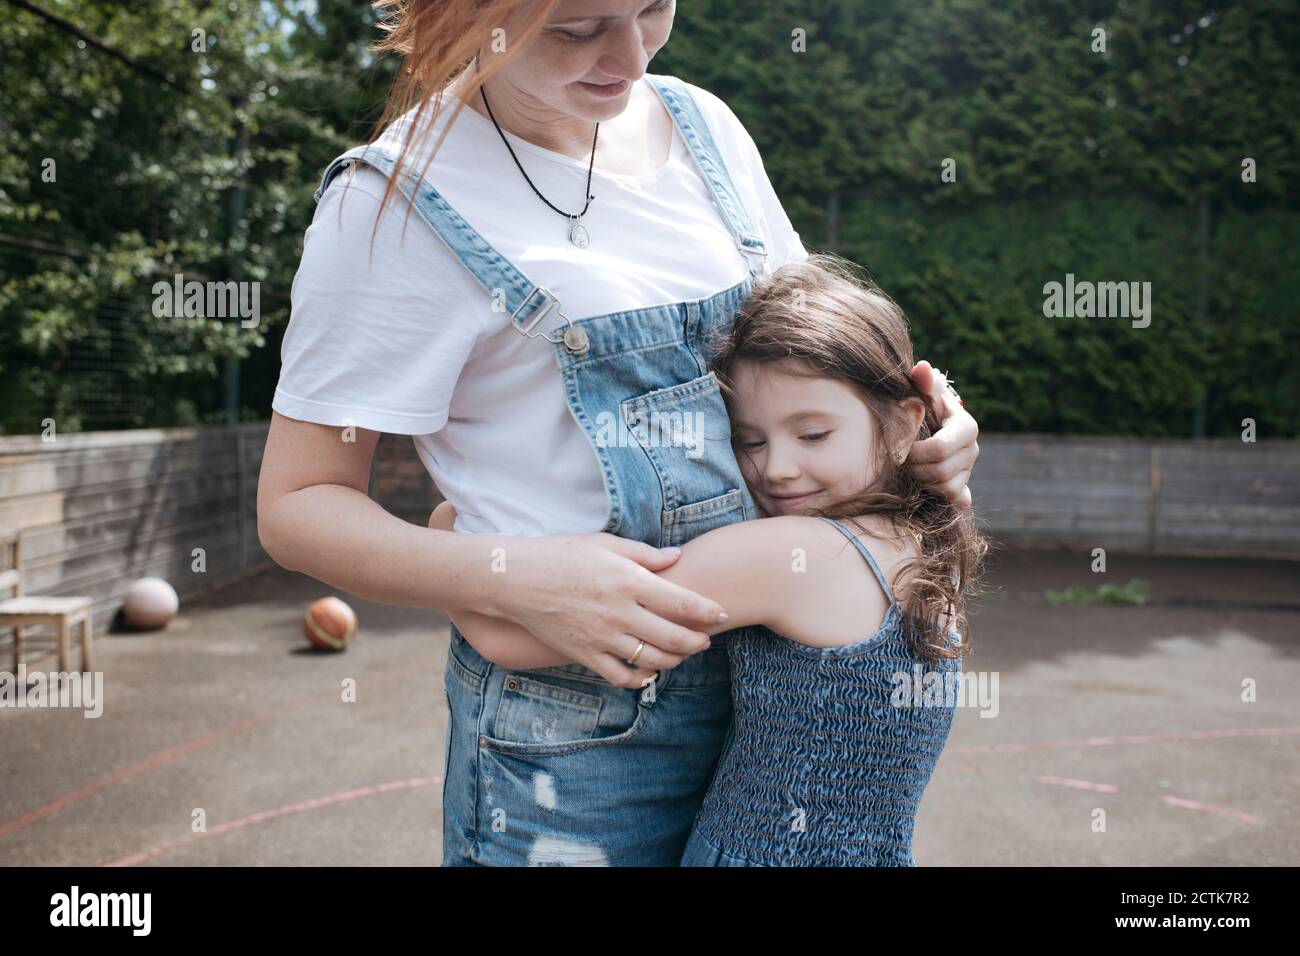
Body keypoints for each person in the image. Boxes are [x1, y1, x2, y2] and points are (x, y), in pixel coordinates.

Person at [257, 0, 981, 866]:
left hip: (774, 699)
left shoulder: (704, 126)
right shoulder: (391, 205)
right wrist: (507, 577)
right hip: (576, 742)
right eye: (579, 26)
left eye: (653, 9)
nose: (631, 55)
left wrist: (930, 428)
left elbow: (811, 352)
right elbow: (298, 505)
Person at [432, 253, 989, 865]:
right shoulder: (923, 535)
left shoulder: (795, 556)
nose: (776, 467)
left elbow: (510, 639)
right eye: (750, 440)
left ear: (905, 424)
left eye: (812, 435)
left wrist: (450, 529)